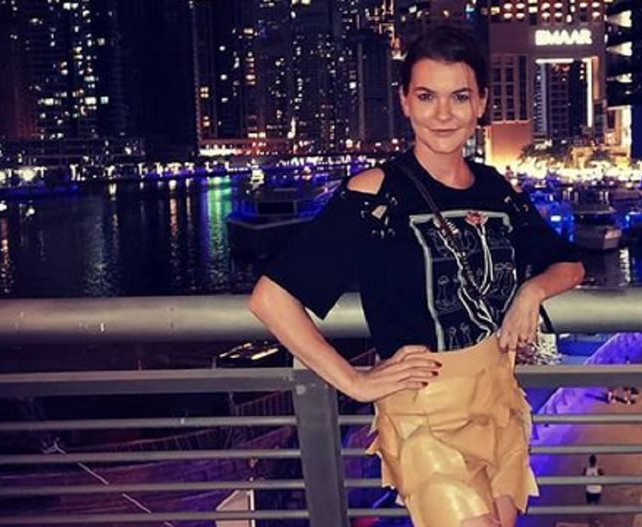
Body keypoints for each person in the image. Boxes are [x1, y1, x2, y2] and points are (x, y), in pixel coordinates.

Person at [248, 26, 585, 527]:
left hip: (497, 400)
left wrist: (531, 291)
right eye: (427, 96)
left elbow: (570, 263)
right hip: (422, 414)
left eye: (459, 97)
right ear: (405, 101)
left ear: (481, 104)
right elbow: (271, 299)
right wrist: (355, 381)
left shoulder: (496, 189)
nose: (443, 113)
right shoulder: (376, 195)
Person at [583, 454, 604, 527]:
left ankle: (590, 521)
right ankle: (595, 520)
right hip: (597, 491)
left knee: (589, 506)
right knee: (596, 505)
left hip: (589, 491)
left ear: (589, 461)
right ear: (595, 461)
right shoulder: (599, 470)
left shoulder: (586, 469)